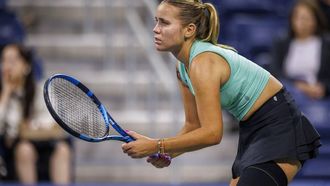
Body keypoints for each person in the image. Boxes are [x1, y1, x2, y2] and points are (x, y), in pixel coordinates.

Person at [121, 0, 321, 185]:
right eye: (156, 21)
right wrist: (168, 153)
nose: (155, 29)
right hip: (252, 128)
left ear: (189, 30)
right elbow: (193, 125)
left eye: (164, 23)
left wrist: (157, 145)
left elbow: (212, 134)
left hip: (280, 124)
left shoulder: (203, 62)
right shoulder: (182, 67)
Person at [0, 44, 72, 184]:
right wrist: (6, 93)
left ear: (26, 66)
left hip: (46, 144)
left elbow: (52, 124)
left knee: (63, 150)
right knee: (25, 150)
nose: (7, 67)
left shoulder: (42, 90)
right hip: (15, 150)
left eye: (12, 61)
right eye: (3, 61)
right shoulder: (3, 95)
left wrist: (28, 128)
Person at [271, 0, 330, 100]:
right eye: (297, 18)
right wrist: (299, 86)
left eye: (306, 18)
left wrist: (323, 88)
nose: (301, 22)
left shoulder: (326, 44)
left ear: (315, 20)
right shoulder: (281, 42)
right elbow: (275, 72)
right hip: (287, 95)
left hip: (316, 96)